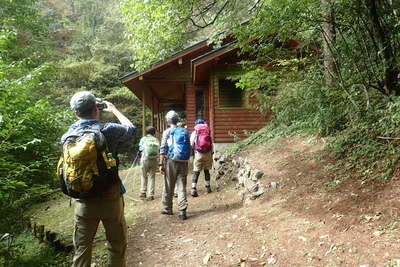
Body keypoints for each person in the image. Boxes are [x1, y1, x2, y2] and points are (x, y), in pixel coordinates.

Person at [61, 91, 135, 267]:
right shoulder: (109, 130)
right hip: (110, 198)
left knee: (82, 249)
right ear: (96, 108)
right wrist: (114, 110)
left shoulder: (67, 136)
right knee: (117, 246)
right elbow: (131, 129)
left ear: (75, 113)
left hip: (83, 201)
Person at [159, 111, 191, 220]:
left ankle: (167, 208)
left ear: (168, 121)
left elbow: (163, 149)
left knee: (169, 184)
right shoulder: (184, 131)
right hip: (184, 161)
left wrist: (161, 164)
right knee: (181, 185)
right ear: (177, 120)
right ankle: (182, 210)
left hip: (171, 161)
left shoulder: (167, 132)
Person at [190, 119, 213, 197]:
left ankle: (193, 188)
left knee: (196, 171)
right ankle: (208, 187)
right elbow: (211, 142)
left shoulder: (195, 132)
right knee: (207, 170)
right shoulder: (207, 131)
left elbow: (191, 143)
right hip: (208, 153)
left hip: (198, 153)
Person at [138, 126, 160, 201]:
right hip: (154, 160)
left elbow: (140, 149)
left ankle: (143, 192)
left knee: (144, 176)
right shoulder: (156, 140)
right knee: (152, 177)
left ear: (146, 132)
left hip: (145, 159)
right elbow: (158, 149)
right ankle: (151, 194)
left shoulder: (143, 139)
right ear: (154, 132)